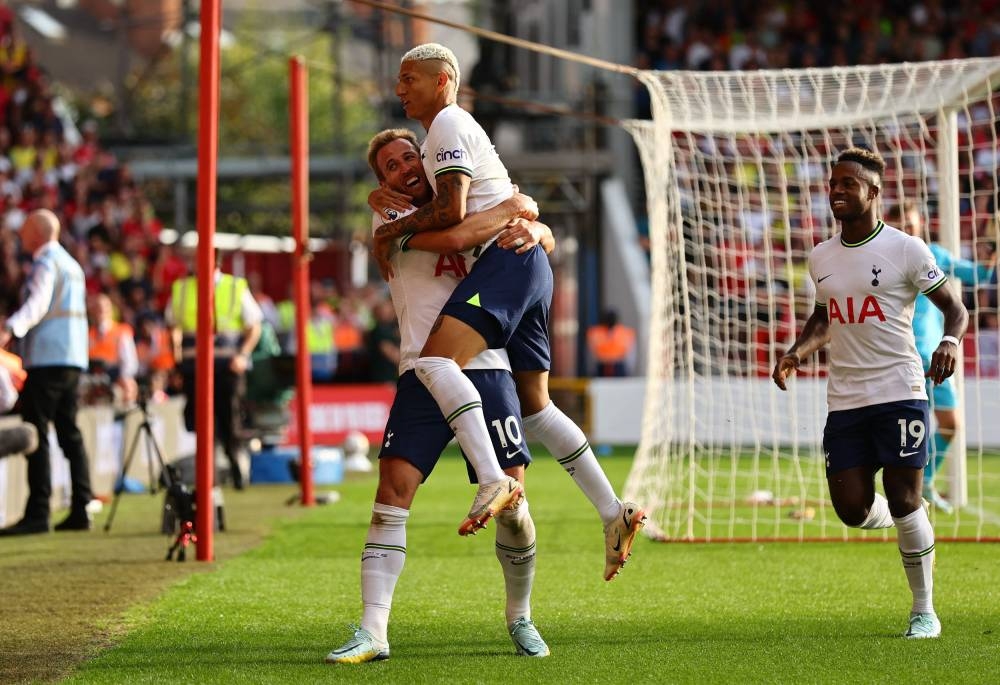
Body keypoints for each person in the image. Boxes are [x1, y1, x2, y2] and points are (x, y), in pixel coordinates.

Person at [371, 45, 646, 571]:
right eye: (391, 166)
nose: (399, 89)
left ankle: (491, 478)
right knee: (537, 405)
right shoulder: (439, 147)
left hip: (510, 264)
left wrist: (395, 229)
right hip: (526, 265)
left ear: (443, 80)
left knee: (433, 364)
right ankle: (614, 510)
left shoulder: (447, 124)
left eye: (409, 79)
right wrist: (525, 214)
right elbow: (487, 203)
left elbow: (453, 215)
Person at [326, 129, 555, 664]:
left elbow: (521, 234)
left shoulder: (468, 202)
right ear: (382, 183)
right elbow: (457, 231)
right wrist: (516, 209)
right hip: (422, 369)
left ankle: (520, 618)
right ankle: (373, 631)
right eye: (389, 166)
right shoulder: (389, 219)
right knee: (393, 489)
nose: (404, 168)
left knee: (514, 507)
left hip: (487, 367)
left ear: (431, 162)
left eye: (411, 156)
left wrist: (535, 226)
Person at [772, 148, 969, 639]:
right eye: (832, 183)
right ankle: (911, 520)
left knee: (903, 498)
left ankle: (924, 610)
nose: (836, 191)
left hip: (901, 390)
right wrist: (797, 351)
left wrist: (949, 342)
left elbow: (955, 308)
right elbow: (825, 318)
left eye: (848, 184)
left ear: (873, 193)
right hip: (845, 399)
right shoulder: (821, 256)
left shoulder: (907, 249)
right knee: (852, 510)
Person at [885, 200, 995, 513]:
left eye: (911, 222)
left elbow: (979, 276)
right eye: (900, 223)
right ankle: (908, 488)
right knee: (905, 425)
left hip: (935, 354)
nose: (907, 228)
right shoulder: (883, 258)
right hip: (899, 353)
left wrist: (990, 254)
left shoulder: (933, 255)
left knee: (947, 423)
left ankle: (926, 483)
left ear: (921, 224)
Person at [0, 209, 93, 535]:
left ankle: (38, 512)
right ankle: (82, 506)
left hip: (46, 358)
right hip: (72, 357)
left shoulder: (45, 263)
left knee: (35, 430)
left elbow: (37, 303)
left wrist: (10, 328)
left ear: (37, 232)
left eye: (25, 229)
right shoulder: (72, 264)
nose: (21, 235)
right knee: (69, 431)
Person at [165, 251, 262, 490]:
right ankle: (208, 471)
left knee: (229, 418)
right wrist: (176, 363)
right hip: (193, 367)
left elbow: (254, 326)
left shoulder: (235, 286)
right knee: (197, 420)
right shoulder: (182, 288)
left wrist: (242, 355)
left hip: (227, 367)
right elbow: (173, 327)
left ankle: (235, 462)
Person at [87, 292, 139, 405]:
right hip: (93, 377)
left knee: (129, 385)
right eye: (97, 308)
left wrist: (121, 378)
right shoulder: (88, 334)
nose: (101, 311)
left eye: (104, 307)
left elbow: (130, 363)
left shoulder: (122, 331)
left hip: (114, 375)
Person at [586, 308, 637, 377]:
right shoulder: (595, 332)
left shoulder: (625, 332)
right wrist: (591, 370)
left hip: (618, 367)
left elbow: (630, 354)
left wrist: (627, 370)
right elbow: (590, 354)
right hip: (601, 366)